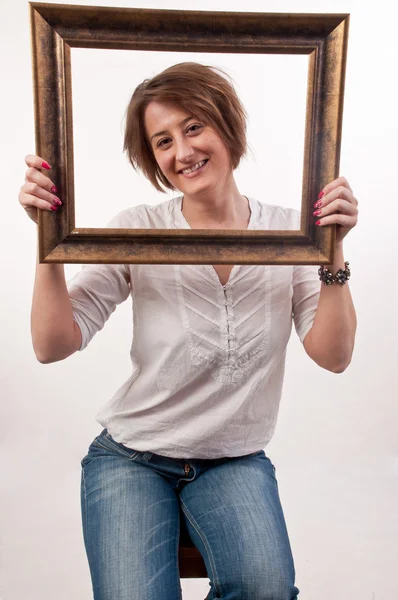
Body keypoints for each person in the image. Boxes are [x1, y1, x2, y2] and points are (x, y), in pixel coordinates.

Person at [19, 62, 358, 600]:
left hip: (234, 458)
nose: (182, 152)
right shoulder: (139, 231)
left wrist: (331, 249)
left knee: (266, 591)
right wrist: (48, 242)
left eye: (194, 126)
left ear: (227, 125)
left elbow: (333, 354)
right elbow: (52, 344)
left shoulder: (291, 234)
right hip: (131, 457)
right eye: (162, 141)